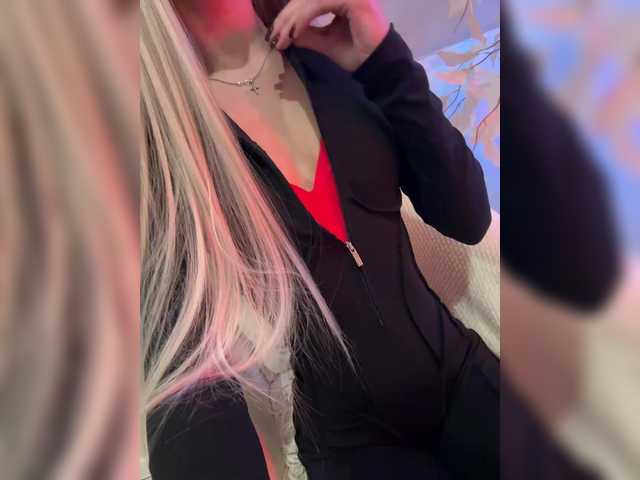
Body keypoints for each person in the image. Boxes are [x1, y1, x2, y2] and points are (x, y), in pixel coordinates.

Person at [141, 1, 497, 478]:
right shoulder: (170, 148)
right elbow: (180, 362)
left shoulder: (331, 55)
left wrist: (382, 56)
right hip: (354, 449)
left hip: (463, 378)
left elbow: (466, 217)